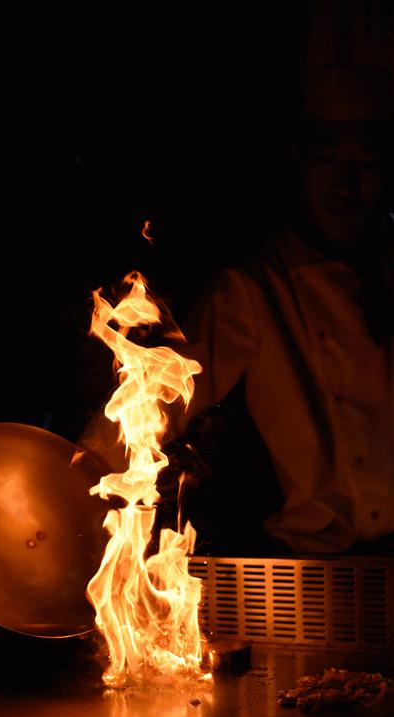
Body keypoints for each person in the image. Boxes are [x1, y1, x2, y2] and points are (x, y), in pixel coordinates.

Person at [80, 65, 394, 554]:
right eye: (326, 161)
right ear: (299, 164)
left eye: (366, 165)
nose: (345, 186)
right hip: (311, 564)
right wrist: (80, 470)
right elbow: (161, 390)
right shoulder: (257, 286)